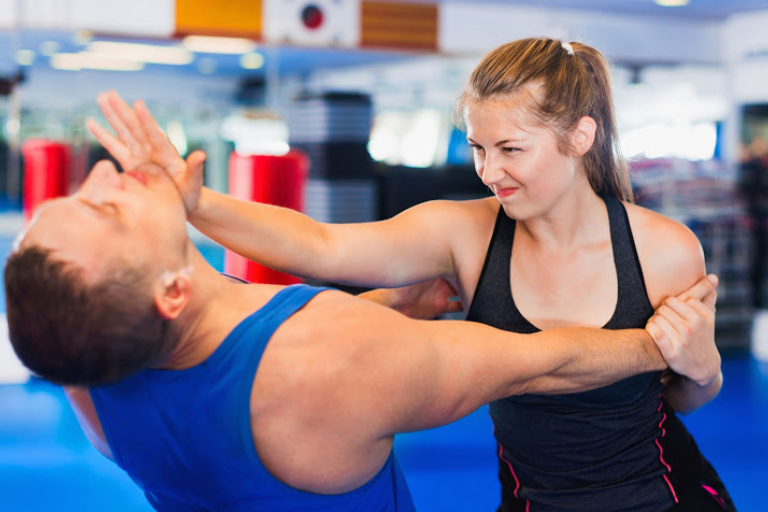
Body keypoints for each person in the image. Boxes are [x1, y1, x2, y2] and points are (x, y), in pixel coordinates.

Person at [86, 36, 734, 512]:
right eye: (479, 148)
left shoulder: (663, 250)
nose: (489, 170)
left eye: (511, 149)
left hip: (664, 495)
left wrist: (702, 366)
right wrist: (195, 202)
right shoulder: (467, 233)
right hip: (533, 500)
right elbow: (319, 244)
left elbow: (681, 397)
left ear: (580, 137)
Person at [4, 158, 716, 512]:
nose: (102, 170)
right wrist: (662, 343)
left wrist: (392, 308)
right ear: (171, 291)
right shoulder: (332, 353)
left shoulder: (89, 370)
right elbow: (542, 363)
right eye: (105, 209)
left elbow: (249, 363)